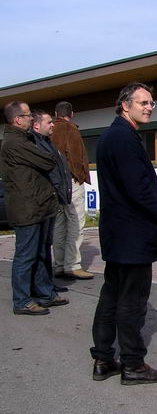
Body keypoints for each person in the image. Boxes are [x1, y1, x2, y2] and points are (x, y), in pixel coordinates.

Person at [90, 83, 157, 385]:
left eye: (152, 103)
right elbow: (138, 188)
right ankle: (133, 364)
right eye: (144, 102)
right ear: (126, 105)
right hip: (132, 233)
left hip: (118, 232)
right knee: (131, 300)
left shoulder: (113, 135)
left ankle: (103, 359)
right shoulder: (122, 137)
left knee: (111, 295)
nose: (149, 107)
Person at [1, 101, 66, 315]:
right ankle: (21, 301)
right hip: (26, 208)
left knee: (38, 253)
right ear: (17, 119)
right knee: (26, 255)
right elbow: (48, 161)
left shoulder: (25, 140)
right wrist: (45, 157)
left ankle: (45, 294)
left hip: (37, 205)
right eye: (28, 115)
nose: (31, 118)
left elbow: (48, 161)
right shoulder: (14, 143)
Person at [30, 111, 72, 296]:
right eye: (49, 122)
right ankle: (42, 288)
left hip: (53, 201)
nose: (52, 125)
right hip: (45, 201)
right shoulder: (35, 144)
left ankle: (48, 284)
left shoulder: (48, 143)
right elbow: (48, 173)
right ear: (36, 125)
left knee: (47, 246)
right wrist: (55, 191)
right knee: (40, 248)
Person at [51, 101, 94, 280]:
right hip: (72, 181)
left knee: (59, 224)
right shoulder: (71, 129)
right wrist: (80, 176)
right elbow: (76, 156)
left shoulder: (50, 129)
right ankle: (73, 264)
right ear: (72, 113)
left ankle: (59, 264)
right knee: (76, 222)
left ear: (55, 113)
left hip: (54, 183)